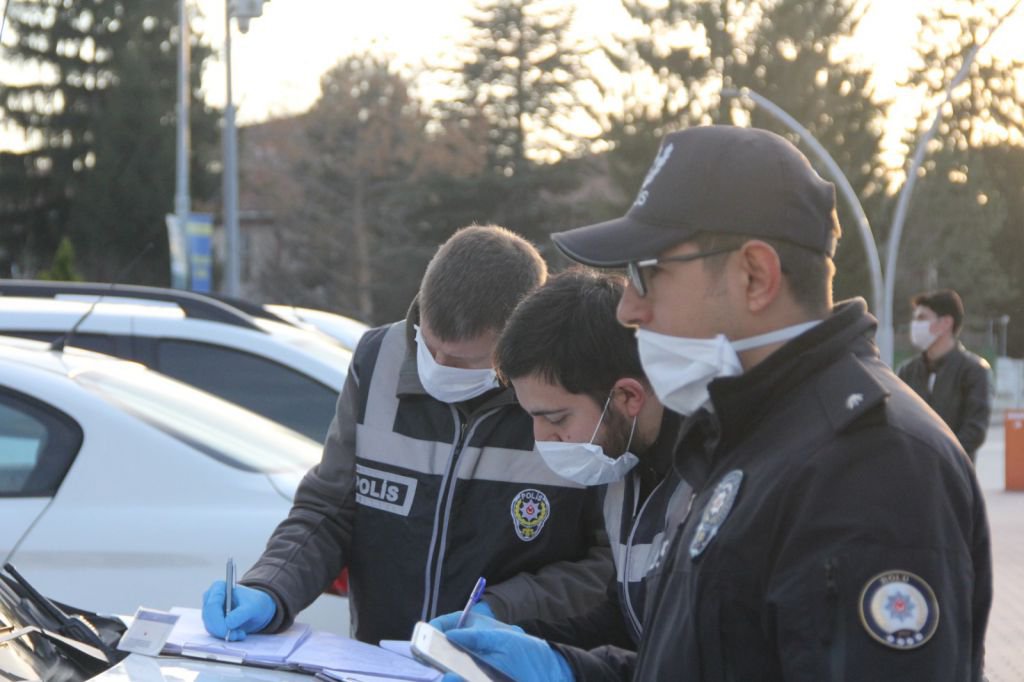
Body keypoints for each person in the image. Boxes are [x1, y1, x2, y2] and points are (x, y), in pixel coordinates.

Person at [440, 126, 992, 681]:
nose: (629, 309)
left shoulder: (872, 465)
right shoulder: (751, 435)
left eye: (645, 275)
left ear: (754, 275)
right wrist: (567, 669)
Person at [200, 225, 613, 644]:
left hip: (509, 663)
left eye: (462, 360)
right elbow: (329, 510)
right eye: (429, 345)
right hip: (381, 662)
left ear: (518, 344)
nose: (437, 364)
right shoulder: (379, 358)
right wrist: (269, 587)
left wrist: (503, 609)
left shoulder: (567, 397)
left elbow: (609, 562)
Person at [481, 268, 685, 650]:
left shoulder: (704, 479)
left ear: (628, 398)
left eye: (556, 418)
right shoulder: (623, 466)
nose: (542, 437)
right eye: (532, 417)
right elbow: (622, 621)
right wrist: (523, 643)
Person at [898, 289, 992, 463]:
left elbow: (975, 430)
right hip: (913, 472)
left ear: (946, 323)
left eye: (922, 318)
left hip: (954, 475)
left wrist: (941, 456)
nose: (915, 325)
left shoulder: (974, 370)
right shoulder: (907, 371)